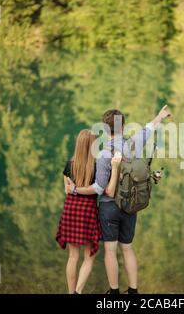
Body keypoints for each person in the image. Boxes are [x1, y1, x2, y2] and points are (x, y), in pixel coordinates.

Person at [67, 105, 171, 294]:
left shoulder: (104, 154)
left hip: (109, 208)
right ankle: (133, 291)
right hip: (131, 205)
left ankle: (114, 292)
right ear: (123, 127)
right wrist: (161, 116)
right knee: (128, 248)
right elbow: (149, 128)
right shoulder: (134, 143)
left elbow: (99, 188)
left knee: (110, 250)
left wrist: (75, 189)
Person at [55, 129, 122, 294]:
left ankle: (71, 293)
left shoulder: (70, 164)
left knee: (72, 257)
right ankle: (78, 291)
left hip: (70, 210)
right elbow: (100, 189)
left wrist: (74, 189)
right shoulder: (96, 165)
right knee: (89, 256)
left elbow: (67, 190)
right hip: (87, 211)